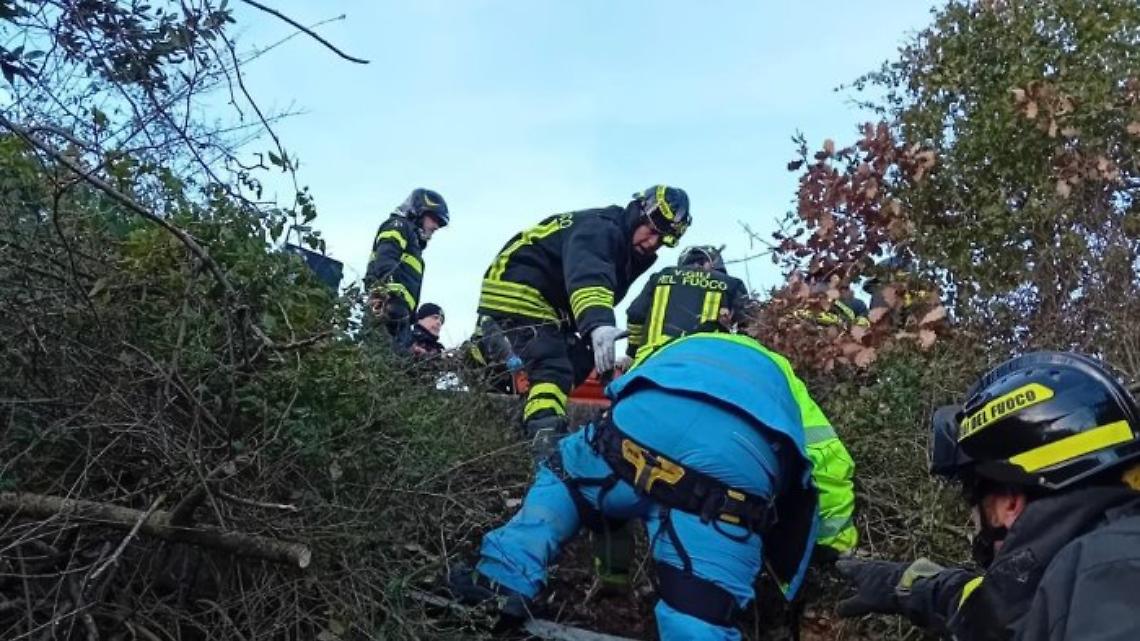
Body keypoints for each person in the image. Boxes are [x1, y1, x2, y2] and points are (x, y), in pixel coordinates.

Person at [448, 333, 858, 641]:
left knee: (565, 472)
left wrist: (613, 569)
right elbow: (828, 466)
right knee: (700, 618)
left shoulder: (678, 347)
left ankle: (501, 582)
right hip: (726, 483)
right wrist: (835, 548)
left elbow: (622, 393)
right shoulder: (782, 379)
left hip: (636, 439)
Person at [836, 351, 1140, 640]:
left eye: (974, 502)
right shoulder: (1068, 576)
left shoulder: (1112, 573)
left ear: (1008, 502)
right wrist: (902, 584)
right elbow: (992, 611)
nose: (974, 520)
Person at [470, 185, 691, 447]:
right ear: (639, 213)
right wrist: (598, 324)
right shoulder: (602, 229)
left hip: (552, 306)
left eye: (663, 239)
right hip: (520, 287)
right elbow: (590, 276)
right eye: (652, 230)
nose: (653, 242)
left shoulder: (626, 247)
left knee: (584, 357)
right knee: (552, 369)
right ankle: (546, 439)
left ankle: (497, 369)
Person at [625, 244, 750, 360]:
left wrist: (633, 351)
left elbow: (636, 314)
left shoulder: (661, 276)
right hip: (704, 361)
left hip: (652, 359)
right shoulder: (732, 284)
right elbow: (750, 326)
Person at [363, 189, 448, 348]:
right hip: (387, 309)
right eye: (434, 218)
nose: (436, 226)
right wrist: (391, 298)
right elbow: (386, 259)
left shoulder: (413, 245)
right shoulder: (398, 226)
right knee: (381, 358)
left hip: (400, 314)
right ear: (418, 212)